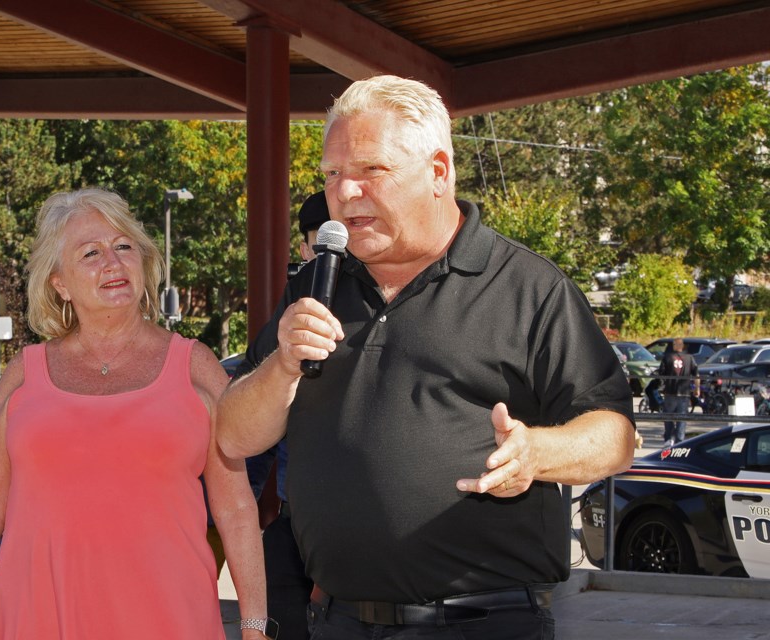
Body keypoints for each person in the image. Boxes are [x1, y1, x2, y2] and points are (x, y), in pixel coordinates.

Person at [217, 75, 635, 640]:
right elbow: (235, 436)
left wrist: (536, 452)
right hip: (338, 620)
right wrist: (281, 366)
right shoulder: (316, 287)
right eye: (333, 174)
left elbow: (615, 435)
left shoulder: (526, 287)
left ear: (437, 172)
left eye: (371, 170)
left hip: (480, 622)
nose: (345, 192)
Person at [0, 187, 270, 640]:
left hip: (168, 617)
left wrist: (254, 624)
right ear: (59, 282)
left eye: (123, 247)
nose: (113, 263)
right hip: (38, 614)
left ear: (143, 262)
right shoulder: (24, 373)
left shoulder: (196, 365)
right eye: (90, 253)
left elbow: (235, 507)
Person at [247, 190, 329, 640]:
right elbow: (249, 436)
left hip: (361, 531)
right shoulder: (287, 318)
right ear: (303, 250)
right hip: (296, 523)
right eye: (323, 243)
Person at [658, 338, 699, 445]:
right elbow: (696, 374)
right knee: (681, 418)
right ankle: (679, 441)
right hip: (684, 392)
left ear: (675, 345)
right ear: (682, 345)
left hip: (670, 392)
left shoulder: (667, 357)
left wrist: (661, 386)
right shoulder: (689, 358)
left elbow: (661, 374)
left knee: (668, 416)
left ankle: (669, 438)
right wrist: (697, 388)